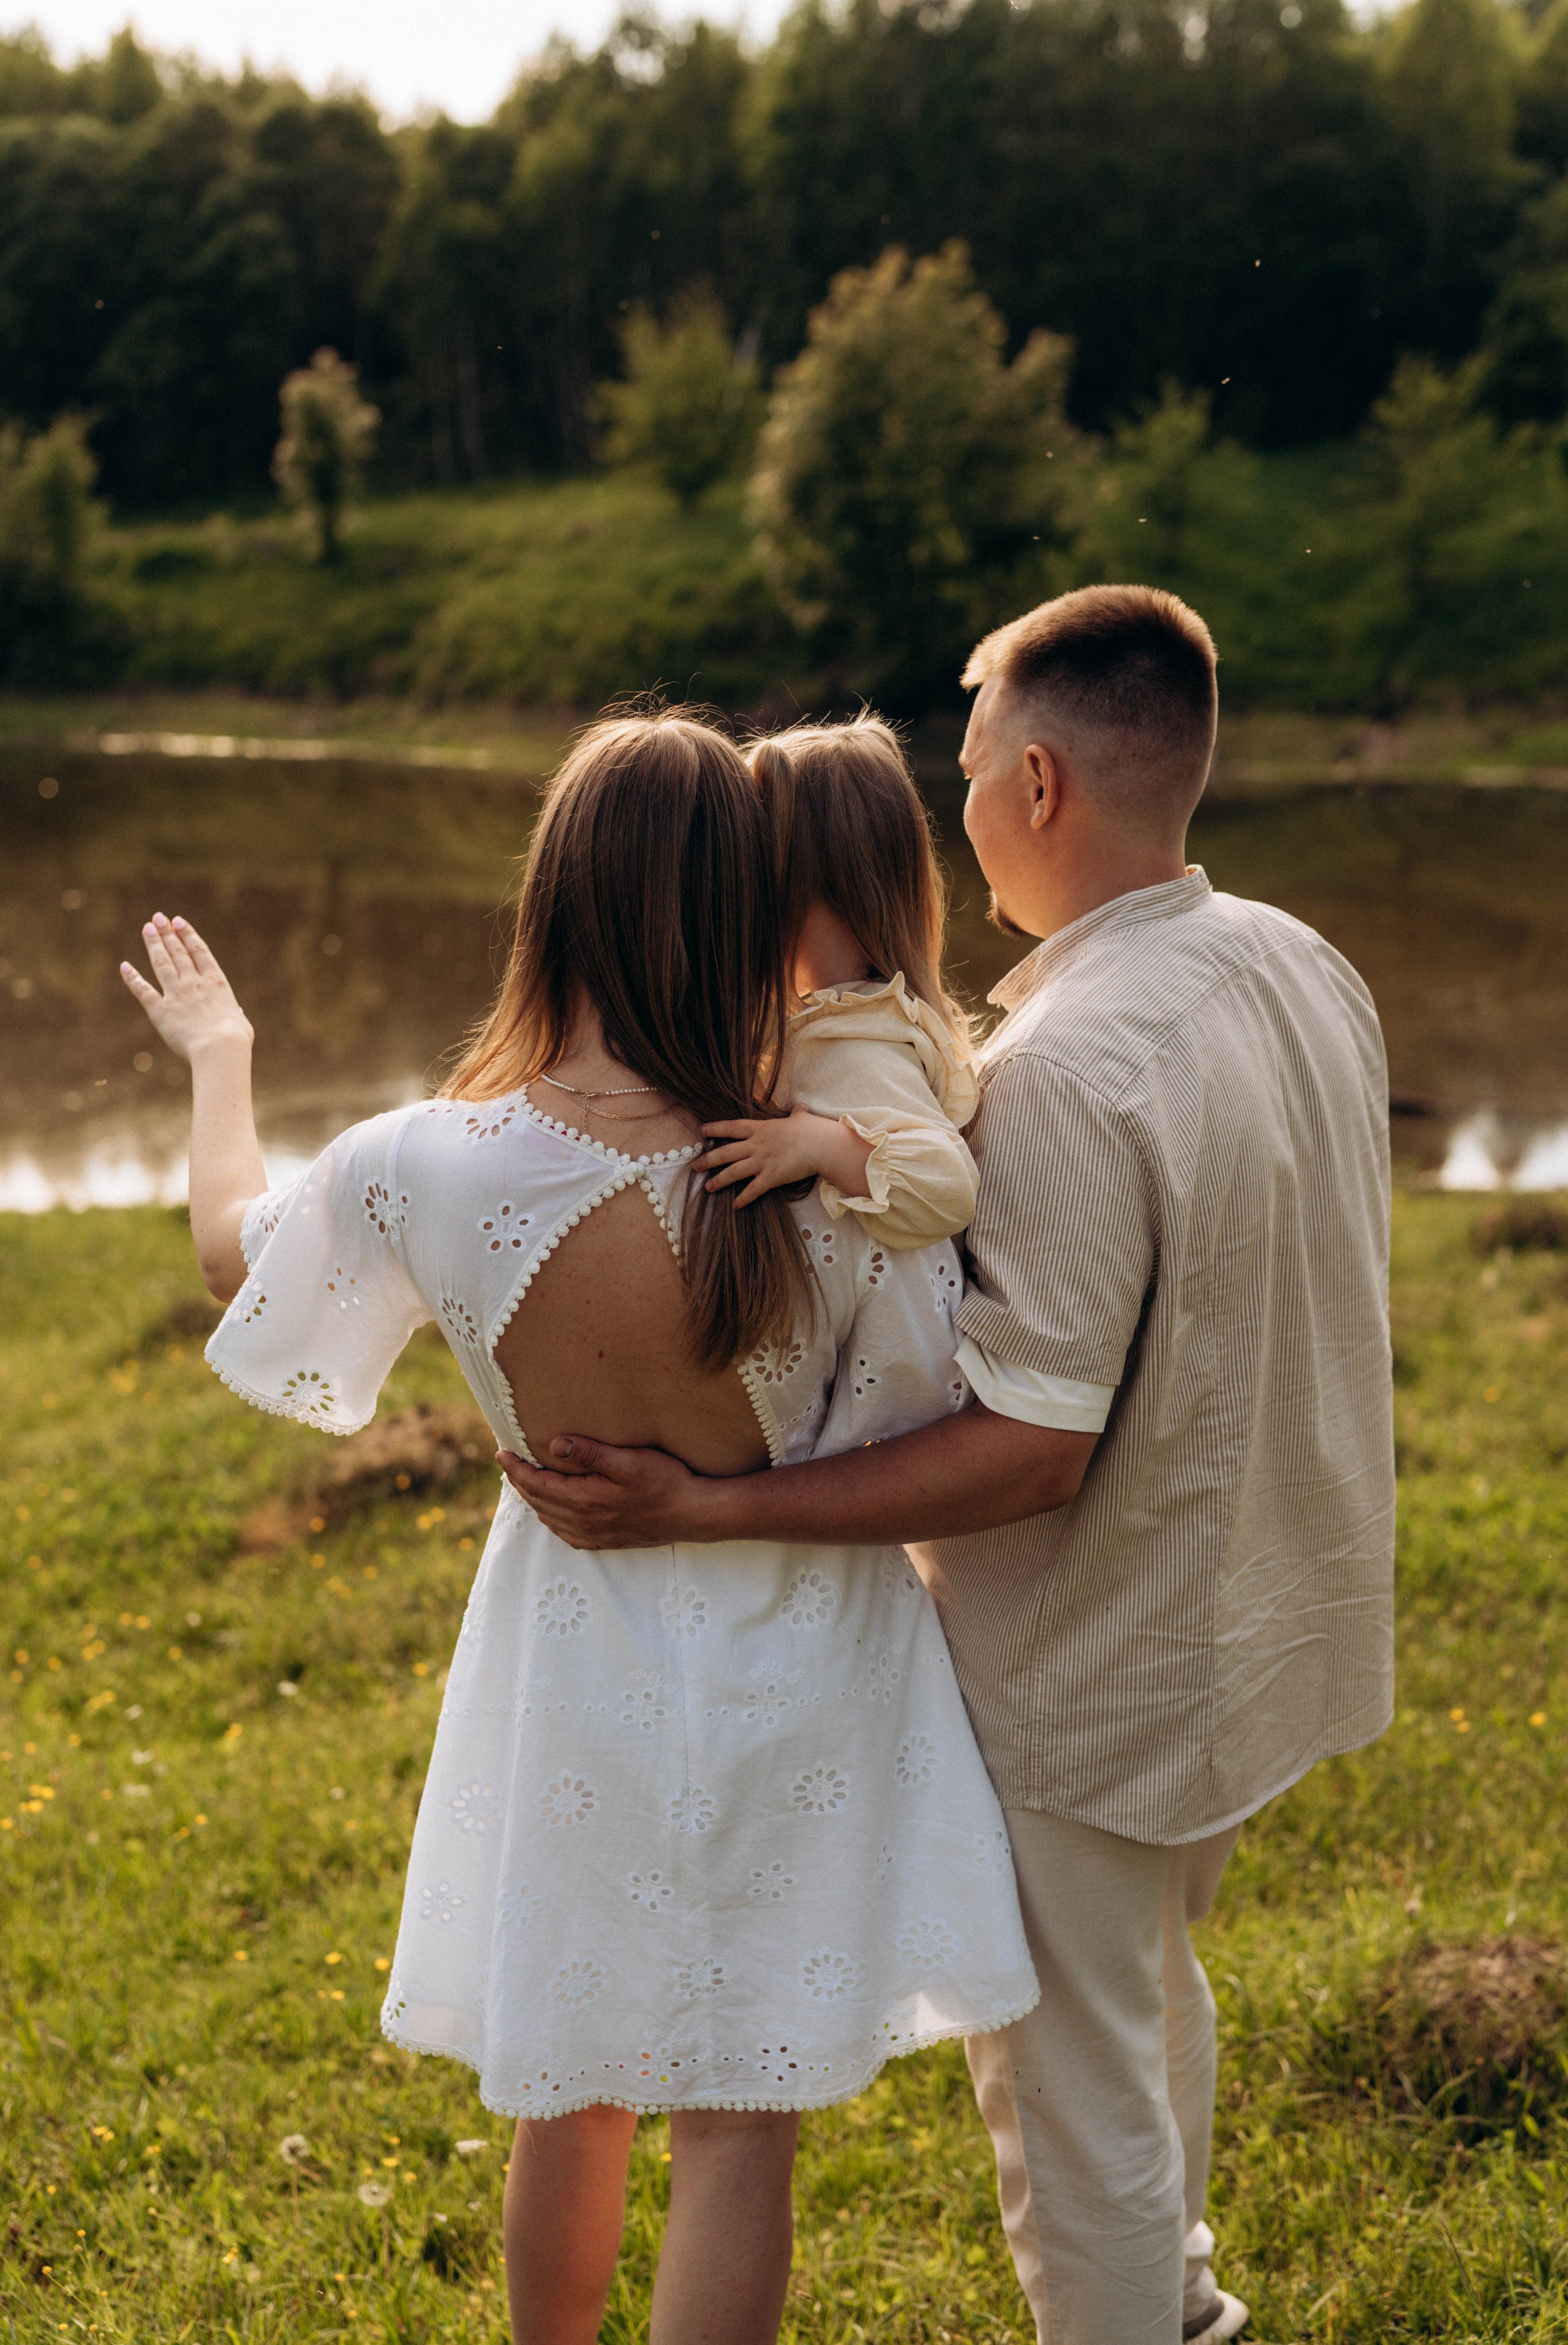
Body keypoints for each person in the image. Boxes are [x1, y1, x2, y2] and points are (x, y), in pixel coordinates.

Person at [503, 591, 1398, 2345]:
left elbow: (1027, 1455)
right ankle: (1197, 2309)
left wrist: (713, 1506)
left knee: (1070, 2106)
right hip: (1264, 1621)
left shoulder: (1065, 1068)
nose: (956, 802)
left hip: (1101, 1666)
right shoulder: (1303, 962)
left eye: (974, 766)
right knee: (1143, 1993)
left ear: (1042, 786)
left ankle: (1143, 2319)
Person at [120, 710, 1039, 2345]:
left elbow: (226, 1258)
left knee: (576, 2083)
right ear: (749, 915)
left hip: (574, 1674)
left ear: (551, 904)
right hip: (806, 1665)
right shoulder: (828, 1171)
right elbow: (913, 1419)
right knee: (741, 2122)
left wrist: (220, 1052)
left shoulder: (429, 1161)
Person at [701, 714, 980, 1245]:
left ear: (775, 884)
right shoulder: (840, 1017)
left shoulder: (855, 1040)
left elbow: (950, 1186)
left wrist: (816, 1145)